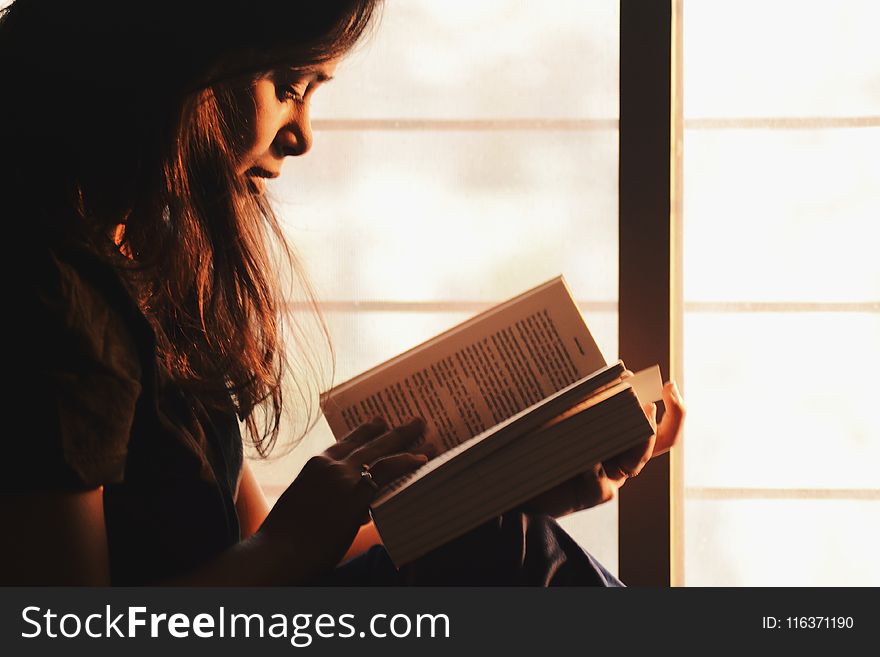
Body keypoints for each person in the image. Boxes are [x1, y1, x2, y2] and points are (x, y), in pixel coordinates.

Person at [0, 0, 685, 586]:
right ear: (183, 56)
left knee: (508, 542)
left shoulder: (146, 264)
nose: (301, 136)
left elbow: (260, 556)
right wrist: (289, 545)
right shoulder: (47, 297)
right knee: (514, 558)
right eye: (291, 83)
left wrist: (507, 491)